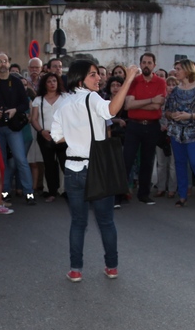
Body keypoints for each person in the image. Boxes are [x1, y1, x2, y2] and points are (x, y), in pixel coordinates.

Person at [52, 62, 139, 281]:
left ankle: (75, 270)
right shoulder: (93, 98)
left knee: (78, 223)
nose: (98, 78)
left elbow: (55, 136)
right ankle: (111, 266)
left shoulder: (63, 102)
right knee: (106, 221)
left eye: (97, 75)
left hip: (72, 169)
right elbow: (112, 110)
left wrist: (75, 138)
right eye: (93, 75)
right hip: (96, 168)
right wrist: (128, 78)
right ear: (80, 78)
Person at [0, 53, 35, 205]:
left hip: (13, 127)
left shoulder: (17, 82)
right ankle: (4, 192)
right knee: (2, 162)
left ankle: (29, 194)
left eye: (5, 60)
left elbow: (25, 104)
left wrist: (14, 110)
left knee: (21, 160)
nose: (2, 63)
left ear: (9, 62)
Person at [163, 60, 195, 210]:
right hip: (176, 132)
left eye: (178, 69)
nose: (175, 71)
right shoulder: (175, 91)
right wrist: (173, 115)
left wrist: (189, 116)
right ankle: (182, 196)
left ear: (187, 70)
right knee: (179, 164)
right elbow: (167, 111)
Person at [121, 52, 166, 205]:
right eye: (144, 62)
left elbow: (157, 106)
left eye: (149, 62)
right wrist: (151, 101)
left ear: (154, 65)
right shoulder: (133, 81)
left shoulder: (161, 82)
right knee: (127, 159)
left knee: (147, 161)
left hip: (152, 126)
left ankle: (144, 194)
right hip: (134, 125)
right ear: (140, 64)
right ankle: (120, 193)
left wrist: (141, 102)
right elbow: (128, 105)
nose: (146, 65)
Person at [30, 72, 67, 201]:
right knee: (49, 164)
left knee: (65, 164)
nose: (52, 84)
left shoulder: (65, 97)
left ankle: (66, 191)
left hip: (63, 136)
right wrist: (41, 131)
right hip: (45, 135)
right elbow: (34, 119)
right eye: (49, 81)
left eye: (54, 81)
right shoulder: (38, 100)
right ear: (44, 84)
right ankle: (51, 192)